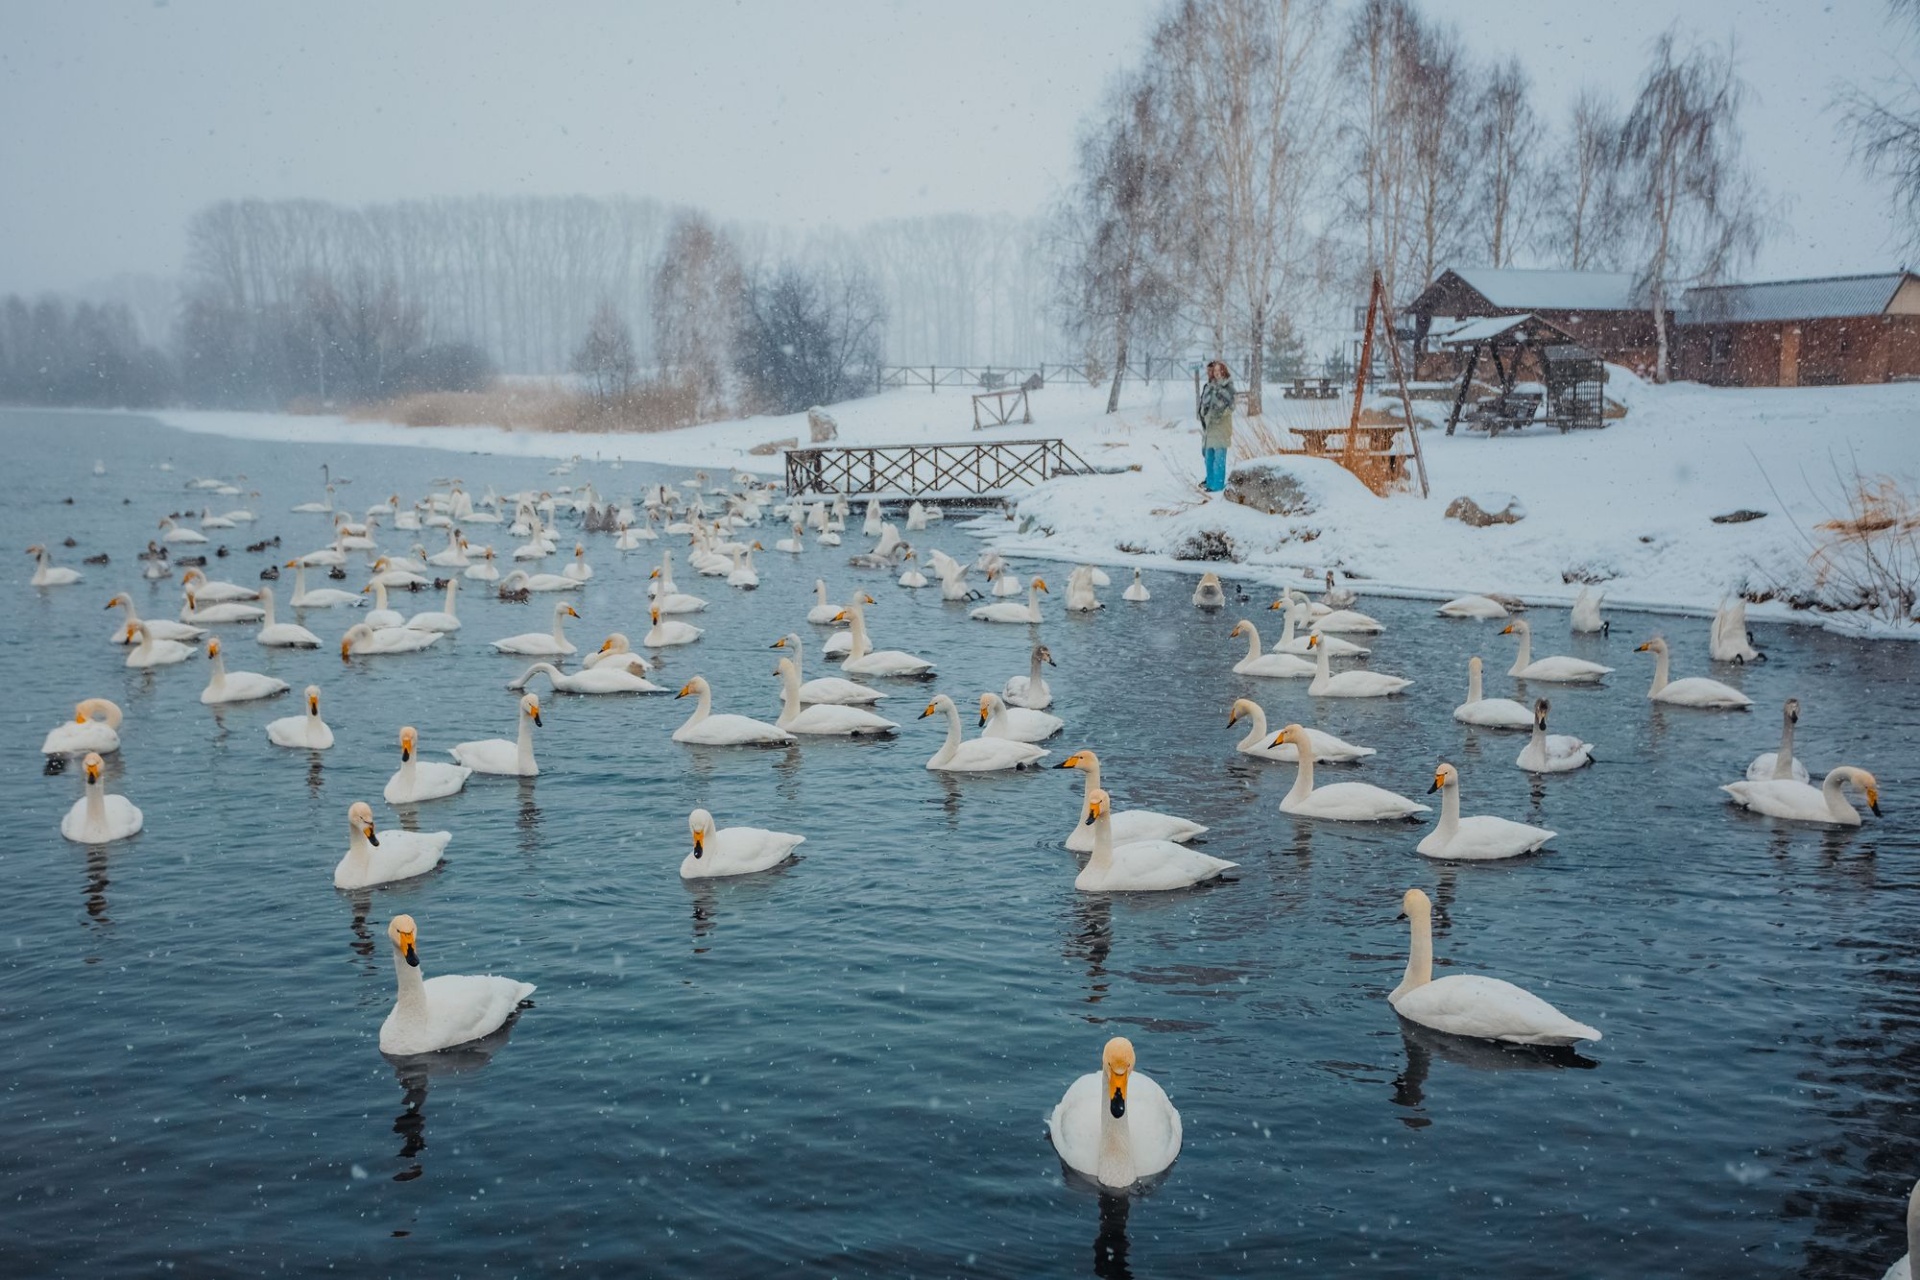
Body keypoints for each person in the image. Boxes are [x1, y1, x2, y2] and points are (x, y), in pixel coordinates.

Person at [1198, 360, 1236, 493]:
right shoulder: (1209, 386)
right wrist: (1204, 413)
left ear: (1224, 371)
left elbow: (1231, 407)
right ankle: (1210, 482)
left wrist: (1219, 415)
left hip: (1221, 426)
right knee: (1209, 457)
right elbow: (1204, 404)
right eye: (1215, 371)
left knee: (1219, 458)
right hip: (1210, 426)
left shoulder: (1228, 387)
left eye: (1220, 370)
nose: (1217, 373)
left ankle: (1217, 485)